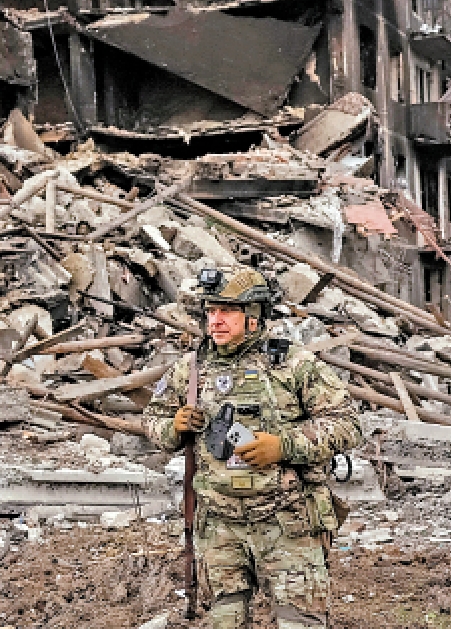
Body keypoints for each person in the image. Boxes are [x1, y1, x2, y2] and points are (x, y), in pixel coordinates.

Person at [143, 267, 364, 628]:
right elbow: (153, 418)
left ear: (253, 316)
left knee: (300, 622)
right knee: (223, 620)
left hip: (288, 521)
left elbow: (348, 423)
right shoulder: (192, 369)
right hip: (219, 524)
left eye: (226, 311)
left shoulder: (293, 364)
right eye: (210, 311)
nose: (215, 321)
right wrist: (173, 427)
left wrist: (284, 446)